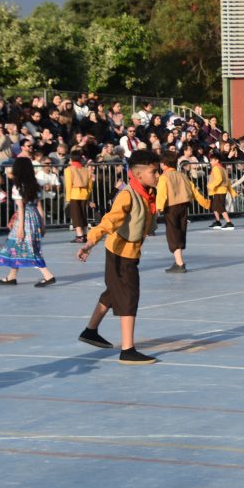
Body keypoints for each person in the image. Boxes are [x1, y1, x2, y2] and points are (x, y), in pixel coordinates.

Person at [76, 149, 161, 364]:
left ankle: (90, 331)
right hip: (121, 254)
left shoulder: (147, 193)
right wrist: (90, 241)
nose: (158, 175)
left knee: (113, 293)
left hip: (129, 252)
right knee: (129, 295)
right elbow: (109, 221)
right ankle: (127, 349)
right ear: (138, 174)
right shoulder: (127, 194)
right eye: (154, 171)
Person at [0, 157, 56, 288]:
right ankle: (11, 276)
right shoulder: (36, 185)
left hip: (24, 219)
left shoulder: (17, 187)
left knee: (27, 247)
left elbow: (21, 208)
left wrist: (20, 228)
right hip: (34, 217)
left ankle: (47, 275)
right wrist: (42, 224)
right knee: (17, 247)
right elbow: (39, 206)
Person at [155, 151, 211, 272]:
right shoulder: (182, 175)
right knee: (180, 232)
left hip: (171, 208)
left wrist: (158, 208)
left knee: (172, 234)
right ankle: (178, 261)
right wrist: (205, 203)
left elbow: (162, 194)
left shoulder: (164, 177)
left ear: (164, 164)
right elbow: (194, 190)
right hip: (184, 206)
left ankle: (179, 263)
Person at [63, 151, 93, 243]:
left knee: (76, 216)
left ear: (71, 159)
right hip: (84, 193)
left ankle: (79, 236)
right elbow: (90, 184)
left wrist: (68, 198)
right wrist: (88, 194)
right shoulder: (86, 169)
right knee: (83, 215)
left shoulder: (68, 169)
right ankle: (84, 234)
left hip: (74, 194)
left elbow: (68, 184)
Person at [206, 155, 234, 229]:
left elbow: (219, 179)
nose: (210, 162)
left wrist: (211, 185)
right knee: (214, 206)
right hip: (220, 190)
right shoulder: (222, 168)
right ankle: (217, 221)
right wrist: (231, 191)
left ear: (217, 160)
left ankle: (229, 223)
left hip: (219, 190)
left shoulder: (216, 168)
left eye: (212, 160)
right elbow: (227, 180)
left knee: (220, 207)